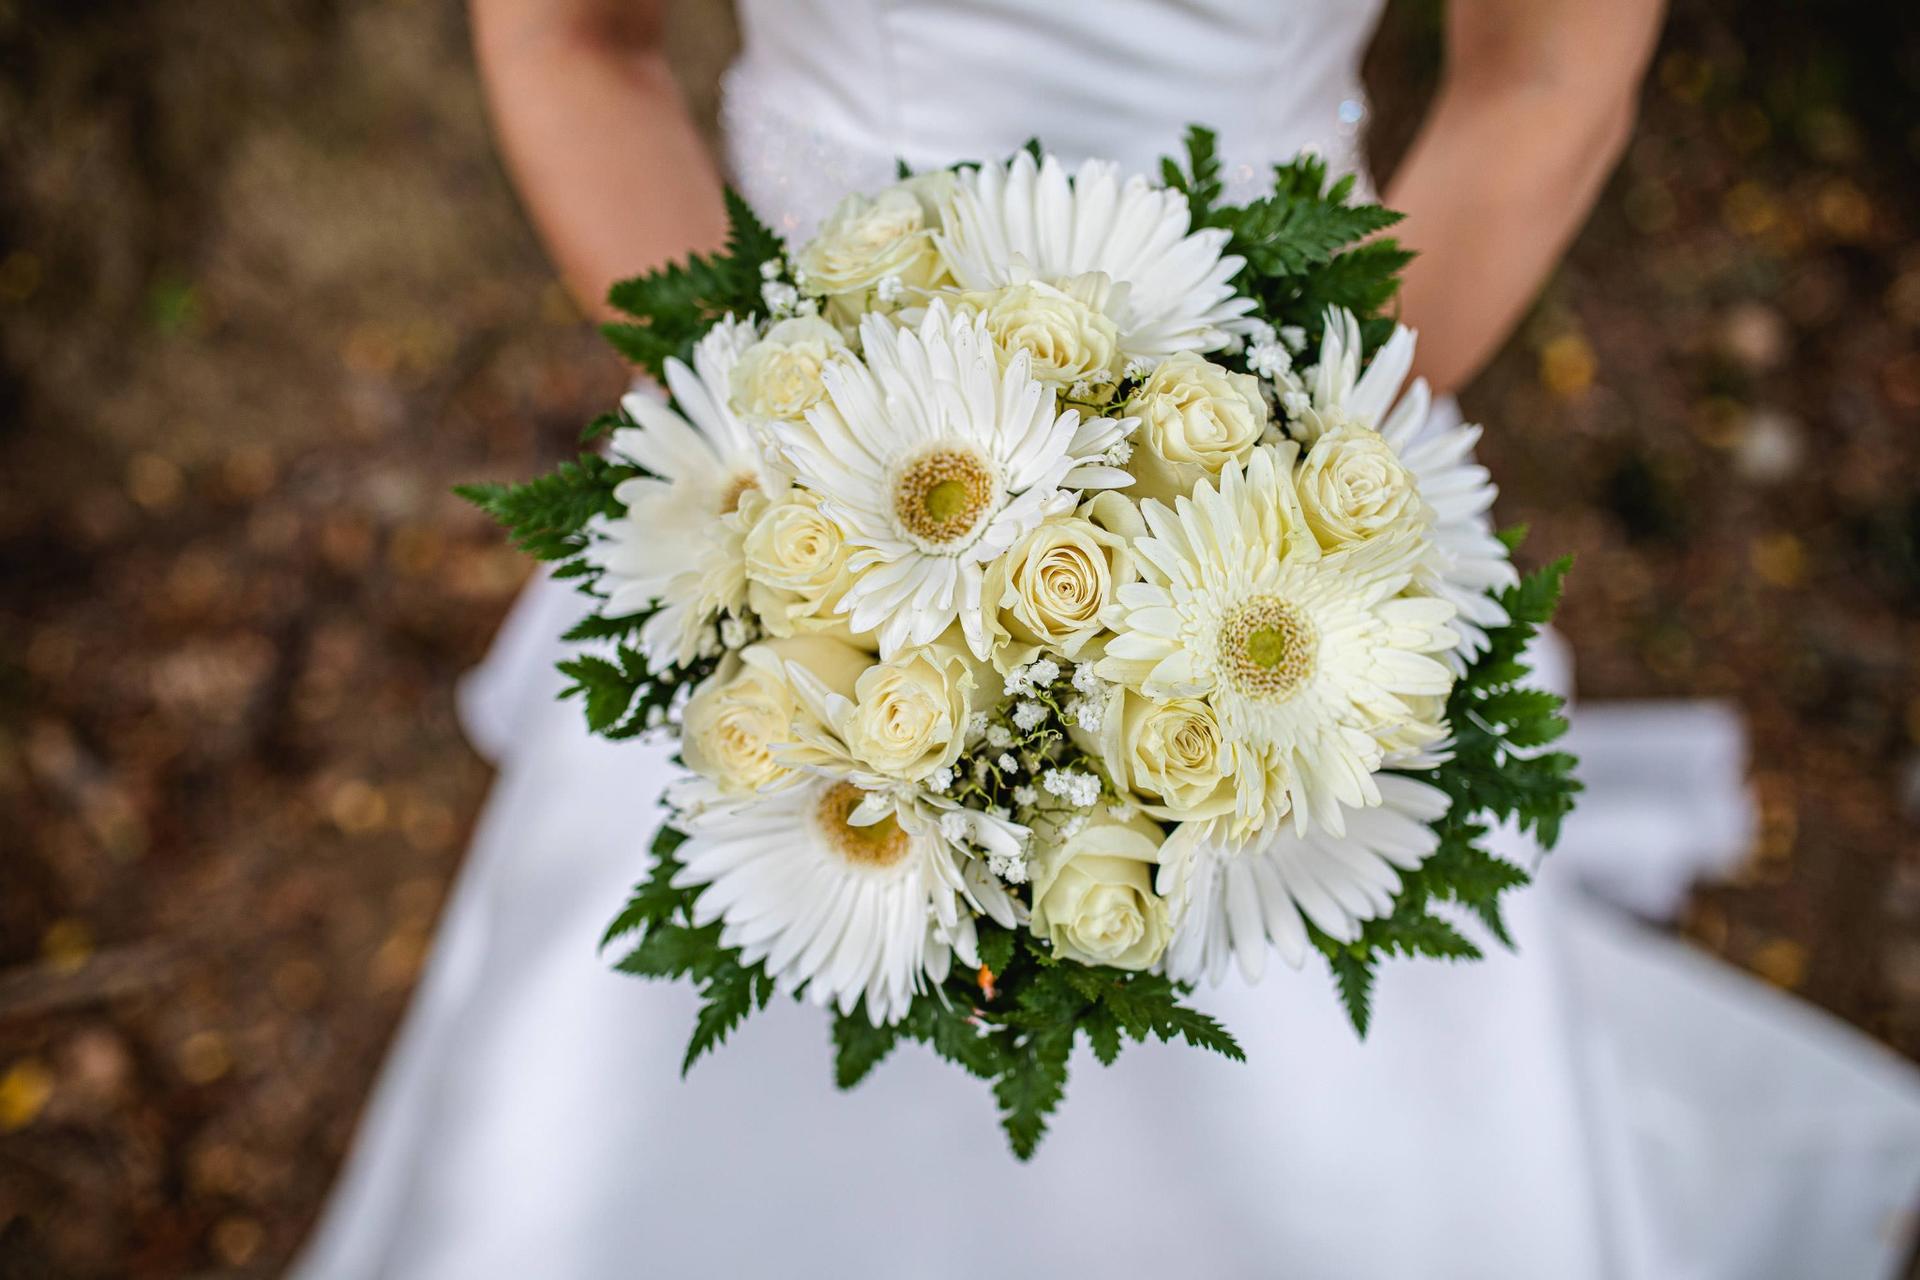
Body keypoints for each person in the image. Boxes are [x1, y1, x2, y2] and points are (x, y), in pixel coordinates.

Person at [294, 2, 1920, 1276]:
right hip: (806, 483)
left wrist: (1291, 460)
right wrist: (768, 422)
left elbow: (1549, 72)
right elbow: (565, 35)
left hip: (1259, 499)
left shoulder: (1279, 487)